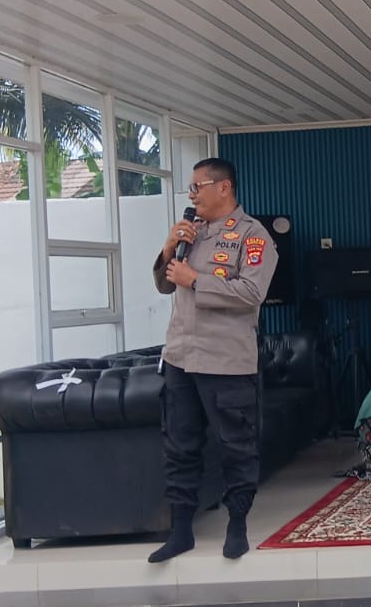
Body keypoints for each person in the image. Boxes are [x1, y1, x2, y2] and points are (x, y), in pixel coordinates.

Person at [148, 158, 278, 563]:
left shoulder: (253, 236)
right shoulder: (192, 232)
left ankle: (237, 526)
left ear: (224, 187)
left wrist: (197, 280)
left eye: (197, 187)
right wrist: (168, 248)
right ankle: (181, 531)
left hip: (226, 362)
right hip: (180, 357)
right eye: (190, 189)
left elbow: (251, 294)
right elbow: (165, 285)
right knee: (179, 446)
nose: (192, 196)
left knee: (236, 447)